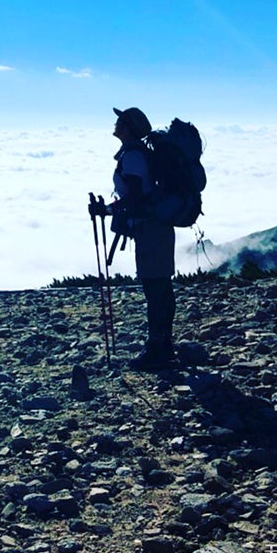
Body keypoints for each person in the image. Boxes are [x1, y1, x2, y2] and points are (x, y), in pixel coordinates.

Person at [108, 105, 176, 371]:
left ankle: (159, 347)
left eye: (121, 121)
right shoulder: (136, 153)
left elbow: (136, 197)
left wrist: (108, 209)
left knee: (155, 287)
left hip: (150, 228)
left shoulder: (133, 156)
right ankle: (162, 343)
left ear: (129, 127)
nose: (116, 124)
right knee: (159, 285)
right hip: (155, 227)